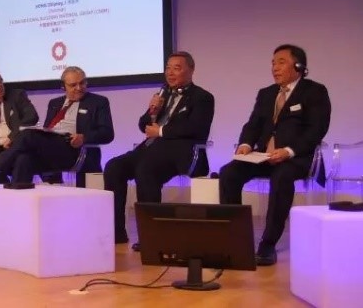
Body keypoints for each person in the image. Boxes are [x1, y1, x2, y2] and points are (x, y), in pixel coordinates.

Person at [219, 44, 331, 266]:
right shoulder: (266, 93)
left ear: (298, 66)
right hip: (264, 156)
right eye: (273, 63)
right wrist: (245, 144)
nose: (275, 68)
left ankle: (268, 244)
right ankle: (235, 239)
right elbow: (253, 125)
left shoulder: (315, 91)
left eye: (281, 62)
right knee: (229, 172)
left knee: (281, 177)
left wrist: (289, 151)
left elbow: (317, 129)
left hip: (297, 157)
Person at [103, 51, 214, 246]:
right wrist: (153, 111)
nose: (170, 73)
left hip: (179, 153)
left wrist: (161, 131)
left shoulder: (202, 97)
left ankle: (151, 236)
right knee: (114, 167)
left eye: (176, 68)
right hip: (149, 149)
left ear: (191, 70)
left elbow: (197, 128)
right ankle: (117, 232)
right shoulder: (163, 94)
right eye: (168, 68)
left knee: (146, 169)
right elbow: (143, 125)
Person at [0, 66, 114, 187]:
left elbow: (107, 133)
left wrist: (83, 138)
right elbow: (47, 129)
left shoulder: (98, 102)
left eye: (82, 83)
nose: (79, 88)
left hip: (73, 149)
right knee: (24, 158)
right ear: (63, 87)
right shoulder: (55, 103)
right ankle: (17, 198)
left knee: (27, 134)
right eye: (73, 85)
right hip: (52, 147)